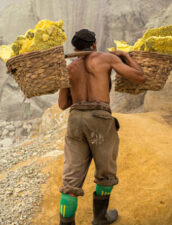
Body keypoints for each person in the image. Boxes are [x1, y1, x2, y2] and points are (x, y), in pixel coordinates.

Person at [58, 29, 146, 225]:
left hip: (75, 120)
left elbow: (63, 104)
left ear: (74, 49)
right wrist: (124, 56)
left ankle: (66, 223)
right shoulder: (106, 59)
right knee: (105, 171)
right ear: (95, 44)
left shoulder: (69, 69)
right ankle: (99, 218)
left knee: (71, 180)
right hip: (100, 118)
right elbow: (140, 77)